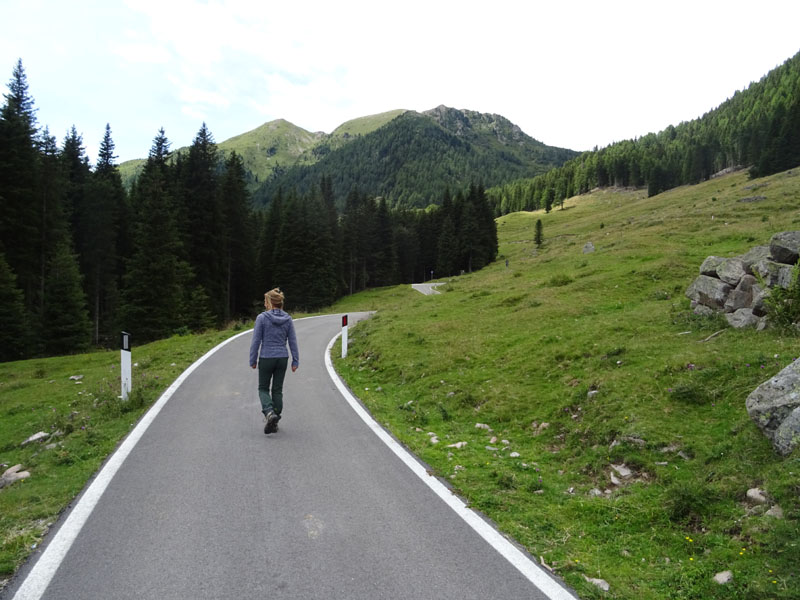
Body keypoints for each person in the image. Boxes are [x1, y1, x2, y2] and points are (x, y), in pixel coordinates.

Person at [249, 288, 299, 434]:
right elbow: (293, 341)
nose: (265, 305)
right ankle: (275, 418)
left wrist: (253, 359)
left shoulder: (262, 318)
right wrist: (295, 361)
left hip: (266, 357)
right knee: (277, 390)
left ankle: (270, 413)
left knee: (263, 388)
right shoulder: (288, 319)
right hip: (282, 357)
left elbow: (256, 341)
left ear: (270, 302)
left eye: (265, 302)